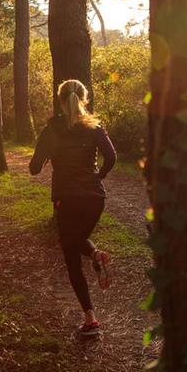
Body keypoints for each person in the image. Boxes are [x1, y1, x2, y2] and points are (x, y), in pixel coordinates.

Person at [30, 79, 117, 337]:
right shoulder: (95, 126)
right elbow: (111, 157)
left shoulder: (52, 129)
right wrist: (97, 177)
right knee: (77, 240)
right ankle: (95, 254)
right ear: (84, 98)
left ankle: (90, 319)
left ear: (59, 100)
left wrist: (46, 157)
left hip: (67, 198)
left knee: (70, 254)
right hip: (95, 199)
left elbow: (34, 168)